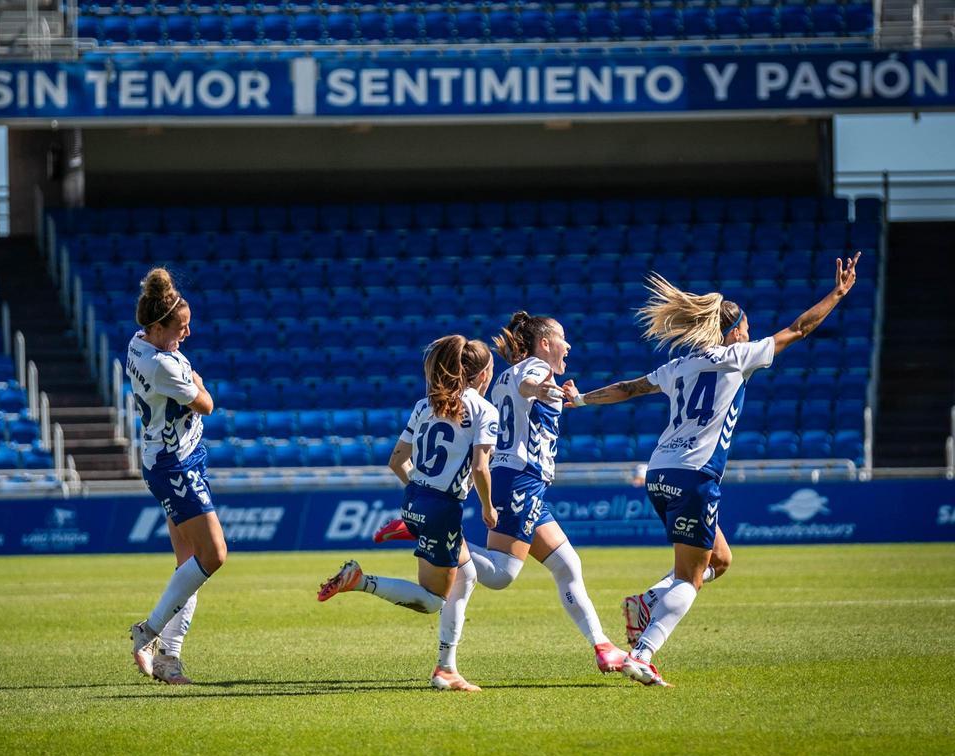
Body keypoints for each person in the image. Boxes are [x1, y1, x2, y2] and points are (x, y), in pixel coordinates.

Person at [563, 253, 860, 686]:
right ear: (733, 331)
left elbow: (628, 388)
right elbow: (801, 328)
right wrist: (838, 292)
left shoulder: (679, 365)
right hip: (695, 474)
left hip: (660, 472)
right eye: (746, 327)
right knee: (690, 576)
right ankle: (643, 652)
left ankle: (647, 601)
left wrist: (583, 399)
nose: (749, 333)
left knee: (719, 559)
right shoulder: (738, 357)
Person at [317, 335, 497, 691]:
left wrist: (421, 490)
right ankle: (361, 581)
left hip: (415, 498)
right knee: (432, 601)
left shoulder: (424, 405)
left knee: (467, 574)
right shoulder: (483, 410)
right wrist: (489, 508)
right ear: (482, 375)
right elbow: (479, 467)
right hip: (443, 508)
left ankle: (447, 667)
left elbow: (396, 461)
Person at [458, 312, 627, 674]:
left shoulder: (509, 373)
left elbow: (522, 391)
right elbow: (530, 387)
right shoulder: (535, 369)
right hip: (521, 478)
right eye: (563, 338)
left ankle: (602, 645)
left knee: (568, 565)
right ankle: (435, 534)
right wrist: (545, 390)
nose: (569, 345)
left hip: (514, 476)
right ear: (545, 343)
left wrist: (547, 391)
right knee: (502, 574)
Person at [127, 268, 220, 686]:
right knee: (214, 555)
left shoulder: (137, 343)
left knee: (191, 566)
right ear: (159, 324)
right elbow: (207, 403)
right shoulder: (163, 364)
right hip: (173, 465)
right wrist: (197, 381)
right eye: (180, 327)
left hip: (176, 456)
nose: (187, 333)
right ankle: (146, 633)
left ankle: (170, 657)